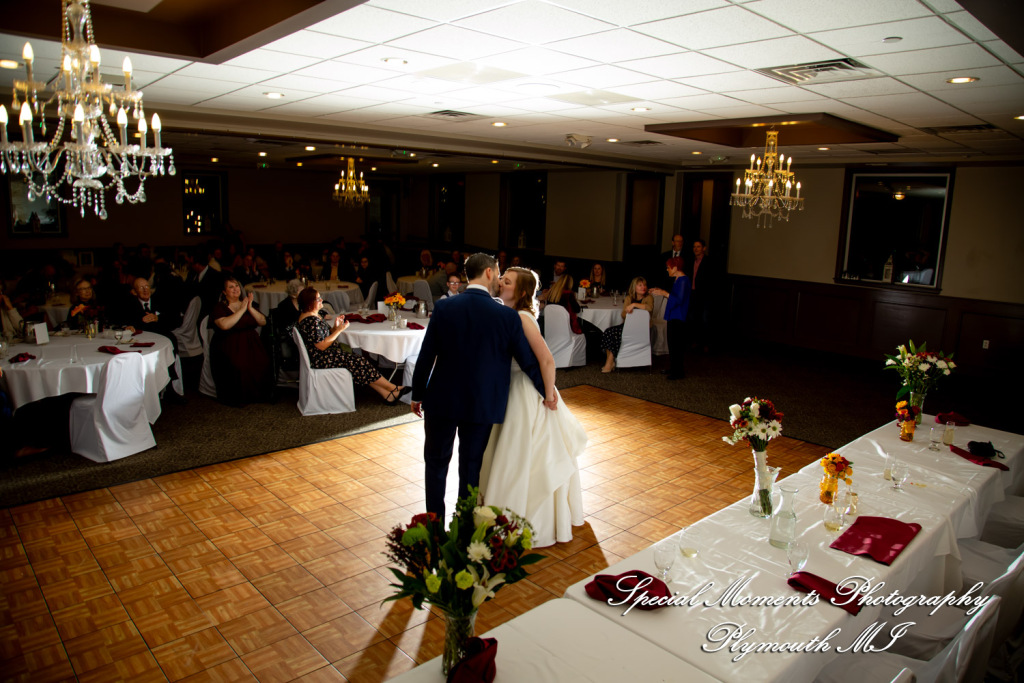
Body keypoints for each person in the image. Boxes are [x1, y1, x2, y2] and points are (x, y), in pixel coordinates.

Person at [410, 253, 550, 519]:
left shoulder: (444, 308)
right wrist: (548, 392)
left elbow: (427, 355)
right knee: (470, 467)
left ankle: (434, 522)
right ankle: (464, 524)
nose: (498, 279)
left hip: (442, 400)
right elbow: (528, 362)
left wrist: (417, 394)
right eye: (497, 273)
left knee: (436, 465)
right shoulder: (506, 317)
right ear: (488, 273)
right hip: (482, 403)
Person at [479, 267, 586, 547]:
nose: (501, 283)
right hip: (512, 388)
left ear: (523, 292)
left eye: (508, 281)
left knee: (524, 455)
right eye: (502, 279)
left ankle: (525, 518)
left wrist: (549, 395)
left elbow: (546, 360)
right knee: (513, 454)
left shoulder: (523, 318)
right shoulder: (509, 315)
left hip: (527, 392)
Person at [294, 287, 411, 404]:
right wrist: (339, 330)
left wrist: (335, 327)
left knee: (359, 363)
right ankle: (392, 387)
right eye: (318, 299)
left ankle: (388, 395)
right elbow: (321, 345)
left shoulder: (312, 316)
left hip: (325, 355)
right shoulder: (310, 321)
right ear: (310, 303)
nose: (321, 300)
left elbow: (322, 338)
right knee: (359, 362)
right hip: (321, 359)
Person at [209, 277, 273, 405]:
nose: (235, 289)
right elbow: (225, 325)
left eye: (237, 286)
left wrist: (249, 308)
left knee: (263, 362)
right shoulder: (220, 307)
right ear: (224, 292)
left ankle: (259, 395)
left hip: (251, 341)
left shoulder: (248, 304)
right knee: (240, 364)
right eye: (231, 287)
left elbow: (263, 321)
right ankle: (241, 397)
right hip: (229, 342)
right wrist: (242, 310)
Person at [600, 276, 654, 373]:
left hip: (642, 329)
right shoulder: (629, 298)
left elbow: (649, 308)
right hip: (628, 326)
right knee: (608, 331)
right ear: (634, 287)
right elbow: (623, 314)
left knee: (616, 333)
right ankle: (610, 361)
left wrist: (634, 305)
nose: (643, 287)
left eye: (644, 285)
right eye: (640, 285)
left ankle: (609, 363)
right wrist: (628, 313)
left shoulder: (648, 297)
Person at [650, 258, 690, 380]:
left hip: (679, 316)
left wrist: (664, 293)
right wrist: (660, 291)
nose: (667, 269)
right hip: (674, 315)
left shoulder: (683, 280)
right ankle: (674, 368)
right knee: (672, 343)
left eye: (668, 267)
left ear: (675, 267)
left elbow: (679, 300)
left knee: (676, 344)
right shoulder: (677, 280)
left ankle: (678, 372)